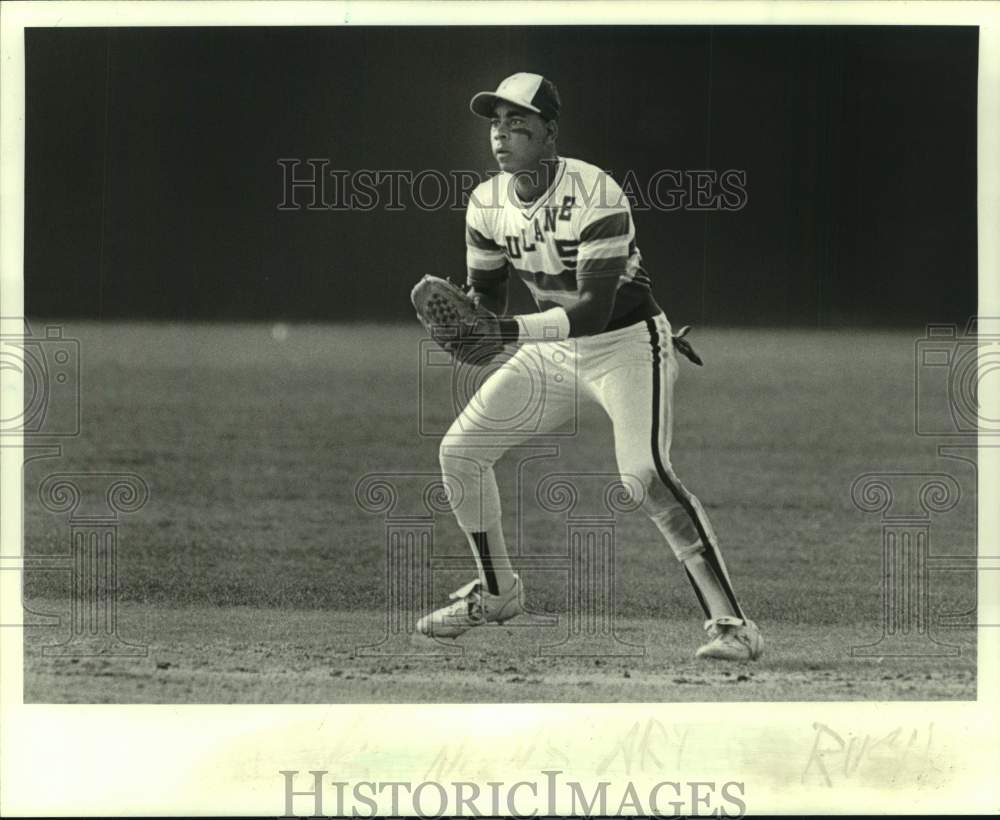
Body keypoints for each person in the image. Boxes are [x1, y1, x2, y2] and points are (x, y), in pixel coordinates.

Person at [416, 72, 762, 660]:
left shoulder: (595, 193)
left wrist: (502, 331)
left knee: (644, 477)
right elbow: (490, 299)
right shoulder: (485, 202)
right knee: (460, 452)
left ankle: (734, 626)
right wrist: (470, 319)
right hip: (554, 350)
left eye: (518, 124)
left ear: (549, 133)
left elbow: (596, 307)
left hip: (627, 345)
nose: (502, 136)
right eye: (496, 124)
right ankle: (498, 592)